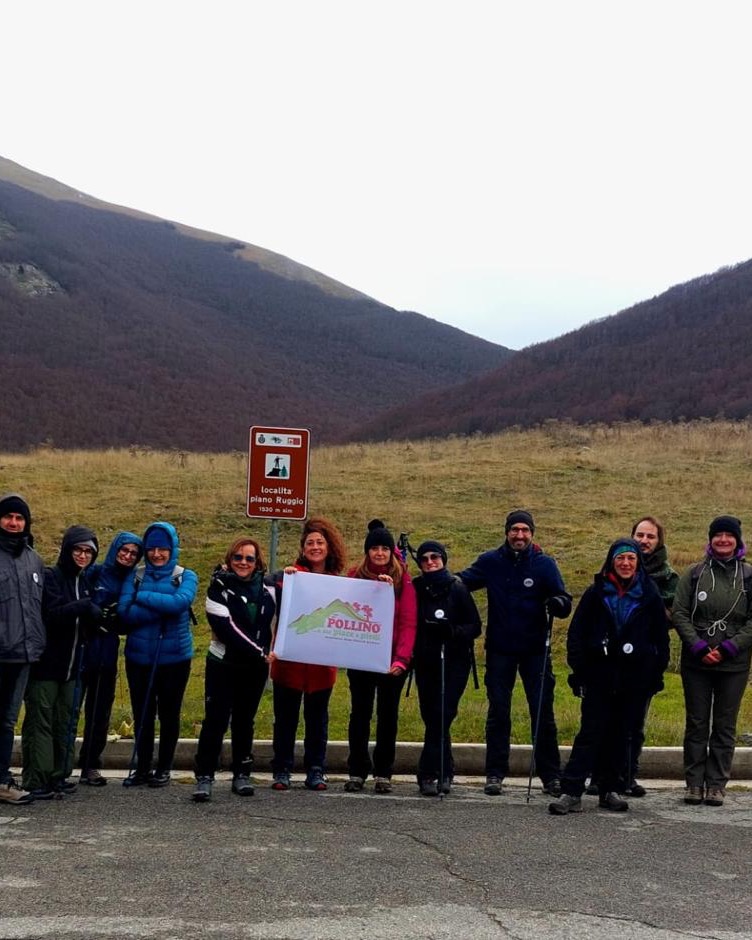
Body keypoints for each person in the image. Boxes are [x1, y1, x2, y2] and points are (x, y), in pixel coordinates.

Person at [549, 538, 669, 815]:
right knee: (590, 733)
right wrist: (580, 670)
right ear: (611, 562)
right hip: (599, 675)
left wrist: (654, 673)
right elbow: (576, 633)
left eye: (630, 559)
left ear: (638, 563)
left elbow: (660, 639)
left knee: (621, 734)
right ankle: (572, 791)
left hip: (634, 678)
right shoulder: (596, 592)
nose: (625, 564)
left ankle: (610, 789)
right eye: (620, 559)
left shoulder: (649, 595)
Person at [459, 510, 571, 796]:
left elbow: (563, 598)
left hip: (535, 651)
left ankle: (551, 775)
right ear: (506, 532)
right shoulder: (491, 562)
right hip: (500, 650)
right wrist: (433, 577)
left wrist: (557, 602)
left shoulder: (544, 564)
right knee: (499, 712)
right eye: (514, 530)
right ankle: (495, 773)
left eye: (525, 530)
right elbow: (461, 583)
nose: (519, 535)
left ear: (532, 533)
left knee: (542, 714)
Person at [672, 515, 752, 807]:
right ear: (710, 539)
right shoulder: (693, 574)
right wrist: (699, 646)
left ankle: (717, 784)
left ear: (737, 540)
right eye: (717, 535)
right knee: (696, 722)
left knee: (724, 724)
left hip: (734, 664)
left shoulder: (748, 575)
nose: (723, 540)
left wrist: (730, 646)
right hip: (697, 663)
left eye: (729, 536)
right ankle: (693, 783)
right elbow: (679, 612)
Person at [192, 537, 276, 802]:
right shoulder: (217, 586)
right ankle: (204, 776)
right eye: (238, 557)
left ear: (257, 562)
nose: (243, 562)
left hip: (254, 668)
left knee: (244, 722)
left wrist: (294, 574)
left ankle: (242, 773)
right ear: (230, 560)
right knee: (215, 721)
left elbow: (301, 596)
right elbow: (227, 630)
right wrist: (260, 651)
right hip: (223, 665)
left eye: (249, 558)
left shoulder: (270, 587)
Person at [22, 525, 101, 799]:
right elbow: (52, 614)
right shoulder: (51, 577)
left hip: (74, 666)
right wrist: (83, 607)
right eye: (78, 550)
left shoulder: (87, 581)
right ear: (67, 550)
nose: (82, 555)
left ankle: (59, 774)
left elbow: (86, 623)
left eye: (88, 551)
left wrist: (97, 617)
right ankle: (36, 779)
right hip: (46, 665)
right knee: (40, 722)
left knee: (66, 721)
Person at [268, 516, 346, 792]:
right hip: (289, 663)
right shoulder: (290, 576)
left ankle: (316, 768)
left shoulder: (340, 582)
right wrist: (282, 580)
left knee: (317, 720)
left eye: (320, 542)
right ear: (303, 548)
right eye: (310, 543)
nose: (315, 547)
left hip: (321, 666)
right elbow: (268, 589)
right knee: (285, 719)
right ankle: (282, 768)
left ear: (329, 547)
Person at [118, 522, 197, 788]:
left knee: (169, 714)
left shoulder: (186, 575)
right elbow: (125, 613)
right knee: (142, 714)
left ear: (172, 548)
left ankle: (164, 768)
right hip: (138, 658)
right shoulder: (136, 574)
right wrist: (163, 607)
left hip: (175, 659)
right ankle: (142, 768)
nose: (157, 554)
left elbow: (180, 603)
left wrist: (143, 596)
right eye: (151, 548)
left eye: (163, 548)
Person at [344, 519, 417, 794]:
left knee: (388, 717)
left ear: (391, 551)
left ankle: (383, 772)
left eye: (384, 548)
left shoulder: (402, 579)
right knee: (359, 715)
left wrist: (402, 660)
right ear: (367, 552)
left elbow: (408, 623)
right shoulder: (355, 576)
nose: (379, 553)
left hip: (390, 661)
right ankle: (357, 770)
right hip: (361, 658)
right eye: (374, 548)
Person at [412, 539, 481, 796]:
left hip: (454, 661)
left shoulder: (458, 588)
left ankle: (428, 772)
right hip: (426, 661)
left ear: (443, 559)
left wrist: (451, 631)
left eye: (435, 557)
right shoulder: (416, 588)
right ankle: (446, 770)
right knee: (432, 717)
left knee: (443, 714)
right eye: (425, 559)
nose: (430, 562)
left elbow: (475, 626)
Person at [78, 532, 144, 786]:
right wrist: (91, 614)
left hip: (106, 652)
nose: (127, 556)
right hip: (83, 648)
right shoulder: (93, 572)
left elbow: (129, 618)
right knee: (71, 711)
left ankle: (90, 764)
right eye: (124, 551)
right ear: (115, 549)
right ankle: (58, 765)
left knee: (100, 711)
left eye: (133, 554)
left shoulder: (132, 580)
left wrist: (119, 620)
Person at [0, 494, 45, 805]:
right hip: (2, 653)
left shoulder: (33, 559)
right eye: (8, 517)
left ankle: (2, 778)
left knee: (7, 720)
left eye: (20, 518)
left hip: (25, 655)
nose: (14, 523)